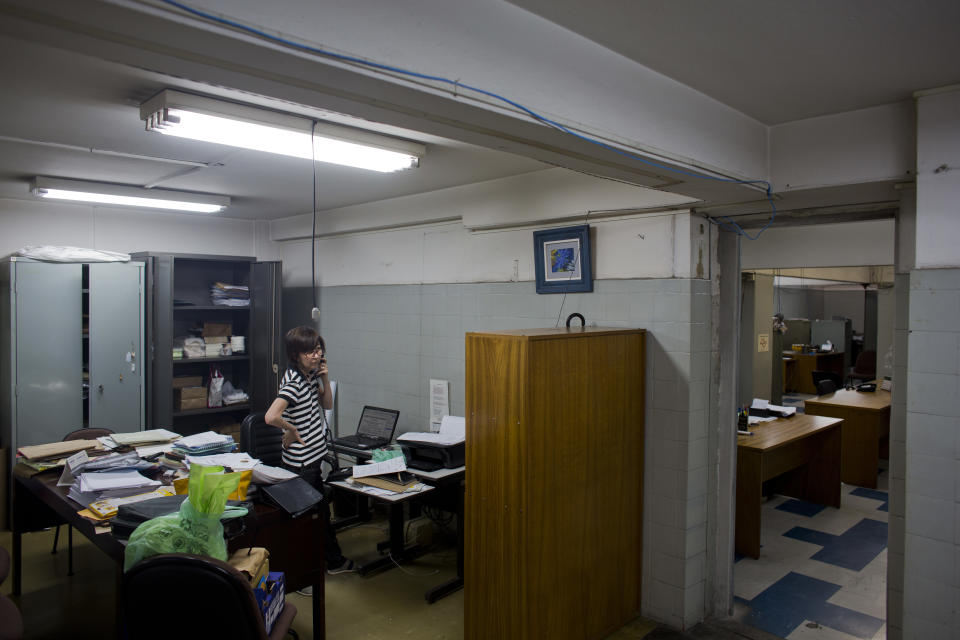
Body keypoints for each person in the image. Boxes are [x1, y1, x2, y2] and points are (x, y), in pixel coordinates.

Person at [265, 325, 356, 587]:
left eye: (317, 351)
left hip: (312, 462)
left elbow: (327, 404)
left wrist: (325, 378)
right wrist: (291, 429)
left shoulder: (308, 377)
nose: (315, 356)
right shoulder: (294, 382)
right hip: (302, 466)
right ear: (296, 355)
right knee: (307, 521)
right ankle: (306, 573)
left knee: (321, 516)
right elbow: (271, 416)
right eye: (308, 353)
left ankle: (330, 561)